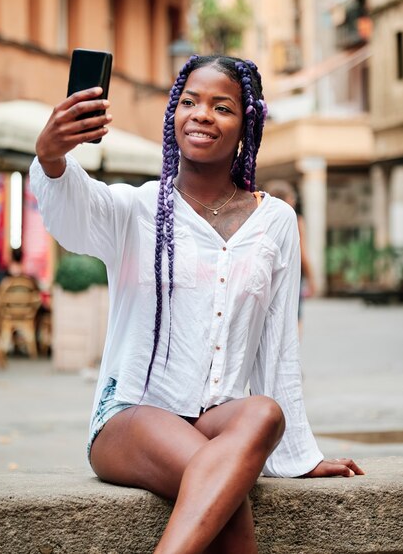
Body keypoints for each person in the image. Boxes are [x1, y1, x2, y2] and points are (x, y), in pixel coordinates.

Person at [30, 55, 364, 554]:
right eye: (189, 102)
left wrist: (299, 456)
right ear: (174, 114)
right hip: (133, 417)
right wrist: (52, 155)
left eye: (221, 106)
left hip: (217, 422)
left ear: (246, 124)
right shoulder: (139, 209)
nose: (201, 114)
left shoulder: (275, 221)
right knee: (228, 504)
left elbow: (277, 348)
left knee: (265, 414)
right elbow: (74, 209)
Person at [264, 180, 316, 335]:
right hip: (290, 274)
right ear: (286, 200)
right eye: (292, 198)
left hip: (266, 273)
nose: (294, 202)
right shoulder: (293, 219)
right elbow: (302, 252)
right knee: (293, 318)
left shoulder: (261, 218)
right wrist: (312, 280)